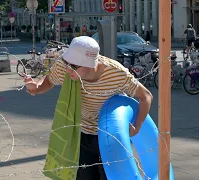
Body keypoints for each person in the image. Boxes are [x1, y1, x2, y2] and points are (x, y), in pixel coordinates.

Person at [23, 36, 153, 180]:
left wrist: (137, 127)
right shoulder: (66, 67)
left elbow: (146, 96)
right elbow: (48, 80)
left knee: (109, 177)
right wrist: (36, 87)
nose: (68, 68)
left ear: (90, 63)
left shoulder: (116, 74)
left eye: (74, 66)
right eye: (67, 62)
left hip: (110, 137)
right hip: (83, 134)